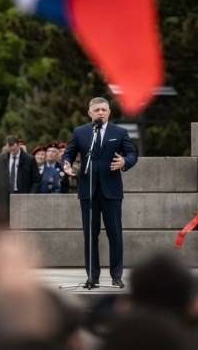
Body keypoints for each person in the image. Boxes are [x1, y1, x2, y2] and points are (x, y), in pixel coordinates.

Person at [62, 97, 138, 288]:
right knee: (90, 235)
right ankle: (92, 276)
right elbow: (69, 153)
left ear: (109, 112)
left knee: (115, 234)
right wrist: (66, 163)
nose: (100, 113)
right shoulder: (80, 132)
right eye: (97, 110)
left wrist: (125, 163)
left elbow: (132, 154)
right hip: (88, 191)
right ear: (90, 113)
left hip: (111, 191)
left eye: (104, 109)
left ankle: (116, 275)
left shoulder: (119, 132)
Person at [0, 135, 41, 223]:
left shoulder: (29, 159)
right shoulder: (0, 159)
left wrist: (30, 195)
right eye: (10, 150)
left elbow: (37, 180)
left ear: (19, 145)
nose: (12, 152)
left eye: (14, 150)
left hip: (22, 195)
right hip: (5, 197)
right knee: (4, 224)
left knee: (21, 223)